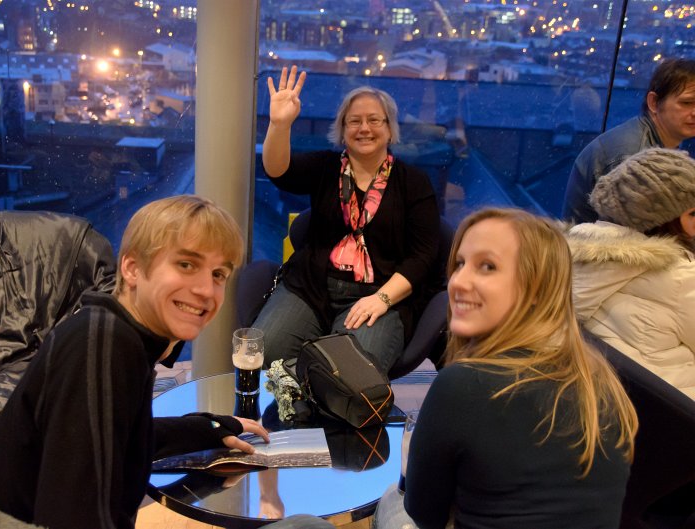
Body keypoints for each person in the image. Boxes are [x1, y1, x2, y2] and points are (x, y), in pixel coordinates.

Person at [0, 195, 273, 529]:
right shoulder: (104, 345)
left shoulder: (116, 336)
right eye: (186, 265)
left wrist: (209, 429)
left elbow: (122, 437)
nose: (206, 289)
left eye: (219, 274)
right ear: (132, 268)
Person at [375, 208, 638, 529]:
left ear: (535, 287)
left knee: (388, 502)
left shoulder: (463, 386)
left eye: (487, 266)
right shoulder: (602, 382)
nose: (459, 281)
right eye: (459, 264)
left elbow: (424, 514)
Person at [254, 65, 441, 372]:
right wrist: (279, 125)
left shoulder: (414, 182)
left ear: (390, 129)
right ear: (341, 131)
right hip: (311, 287)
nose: (364, 128)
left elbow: (423, 256)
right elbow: (279, 171)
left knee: (347, 374)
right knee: (263, 355)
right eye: (354, 121)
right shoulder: (326, 168)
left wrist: (382, 299)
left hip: (380, 293)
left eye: (374, 120)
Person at [567, 147, 695, 399]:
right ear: (661, 218)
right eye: (693, 214)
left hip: (618, 403)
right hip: (679, 412)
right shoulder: (681, 275)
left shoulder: (570, 251)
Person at [563, 57, 695, 223]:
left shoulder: (658, 143)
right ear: (653, 102)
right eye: (687, 103)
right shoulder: (632, 157)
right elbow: (630, 239)